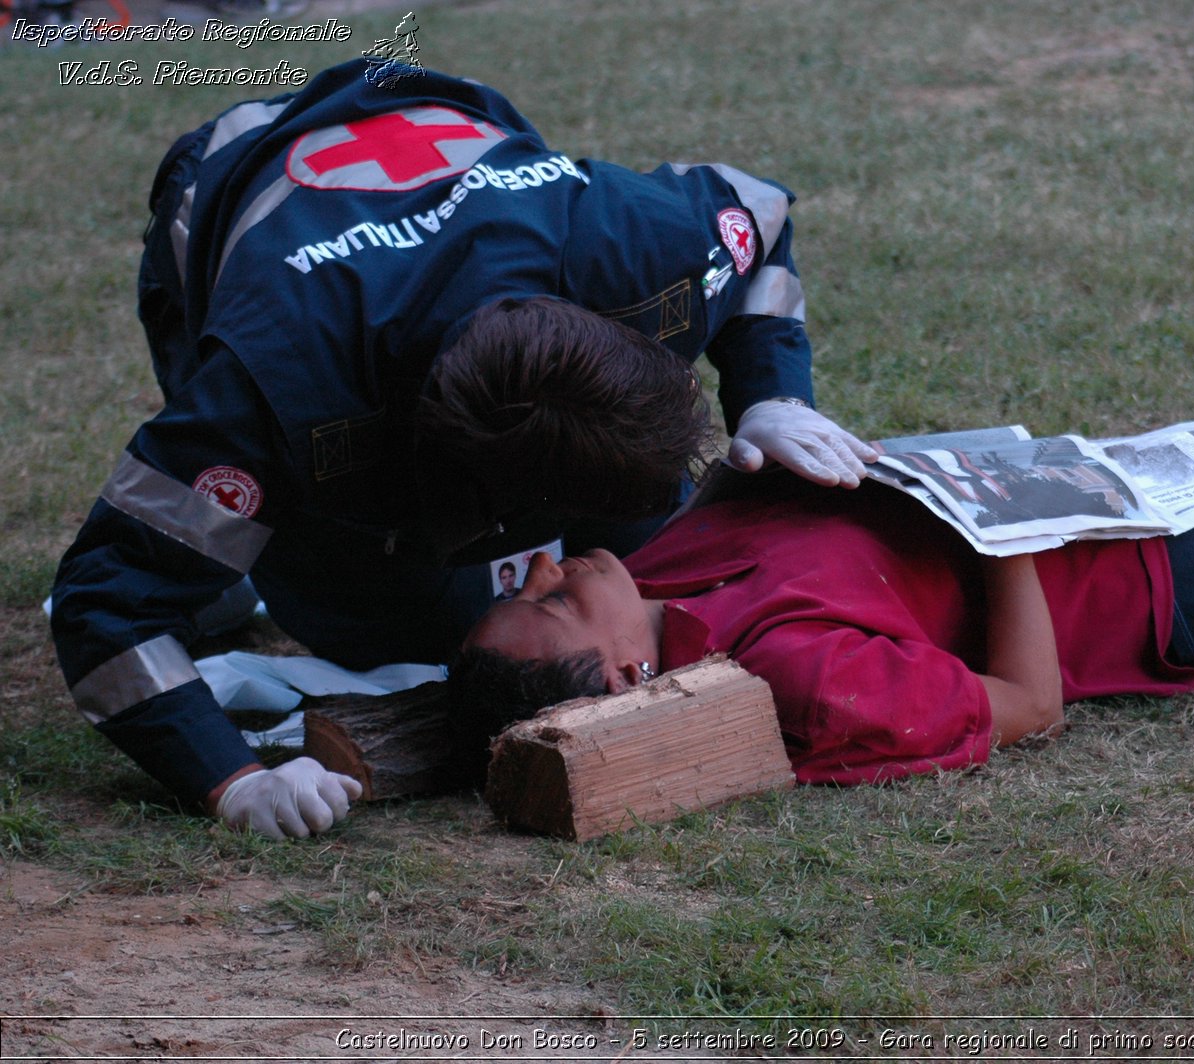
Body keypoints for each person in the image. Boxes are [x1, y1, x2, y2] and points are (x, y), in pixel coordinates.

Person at [50, 59, 873, 838]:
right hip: (237, 177)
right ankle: (221, 565)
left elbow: (760, 217)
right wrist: (229, 778)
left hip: (445, 114)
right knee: (383, 626)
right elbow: (105, 602)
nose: (549, 564)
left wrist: (771, 393)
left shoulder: (635, 245)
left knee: (632, 554)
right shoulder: (276, 387)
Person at [453, 474, 1194, 786]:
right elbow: (1029, 706)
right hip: (1156, 584)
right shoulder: (790, 674)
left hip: (1121, 497)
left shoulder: (650, 573)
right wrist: (1003, 533)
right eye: (550, 601)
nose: (551, 565)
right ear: (626, 675)